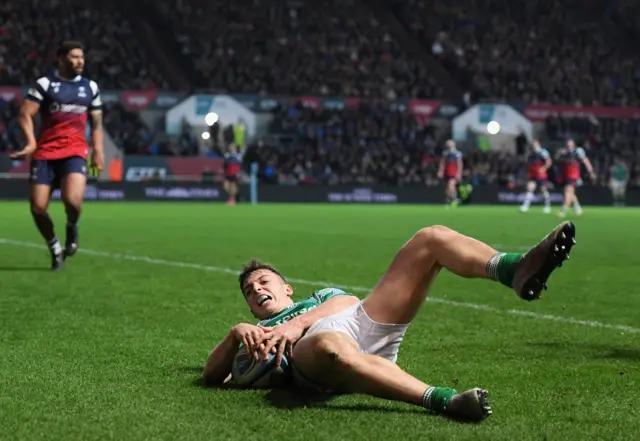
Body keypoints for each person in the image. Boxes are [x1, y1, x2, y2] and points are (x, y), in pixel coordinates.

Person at [203, 221, 577, 422]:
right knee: (331, 347)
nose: (257, 290)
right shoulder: (255, 335)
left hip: (360, 321)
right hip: (321, 355)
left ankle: (513, 269)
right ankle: (445, 401)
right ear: (251, 309)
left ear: (287, 288)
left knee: (430, 238)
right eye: (250, 292)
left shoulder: (316, 300)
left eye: (264, 282)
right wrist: (236, 334)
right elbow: (212, 377)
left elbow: (345, 301)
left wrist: (295, 324)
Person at [10, 41, 103, 270]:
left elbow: (97, 123)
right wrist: (31, 142)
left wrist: (98, 151)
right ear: (61, 59)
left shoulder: (90, 87)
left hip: (75, 151)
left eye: (82, 57)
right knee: (38, 208)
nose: (80, 61)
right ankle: (54, 246)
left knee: (72, 201)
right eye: (74, 57)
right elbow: (24, 114)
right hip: (45, 153)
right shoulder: (45, 84)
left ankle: (72, 225)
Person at [555, 139, 596, 217]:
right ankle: (578, 208)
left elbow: (585, 161)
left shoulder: (577, 152)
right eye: (567, 145)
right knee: (570, 193)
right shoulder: (563, 153)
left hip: (573, 175)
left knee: (568, 192)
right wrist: (560, 153)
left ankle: (563, 211)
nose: (569, 146)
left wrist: (591, 172)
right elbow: (556, 159)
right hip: (565, 176)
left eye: (570, 145)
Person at [519, 139, 552, 213]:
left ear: (538, 144)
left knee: (543, 190)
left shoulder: (543, 152)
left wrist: (543, 168)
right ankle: (525, 205)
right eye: (532, 145)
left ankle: (547, 206)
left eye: (534, 145)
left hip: (541, 175)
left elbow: (548, 161)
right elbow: (528, 164)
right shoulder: (531, 154)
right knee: (529, 188)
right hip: (533, 174)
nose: (533, 146)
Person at [436, 140, 463, 207]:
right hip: (447, 172)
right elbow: (442, 163)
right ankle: (450, 200)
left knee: (451, 185)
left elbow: (459, 164)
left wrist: (459, 173)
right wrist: (441, 171)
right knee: (448, 187)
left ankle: (454, 199)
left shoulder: (457, 153)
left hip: (453, 172)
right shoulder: (445, 153)